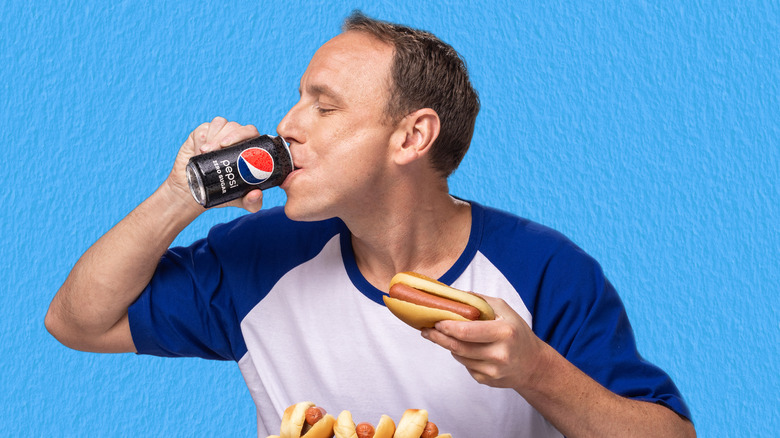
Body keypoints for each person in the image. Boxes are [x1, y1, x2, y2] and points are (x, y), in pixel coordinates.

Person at [46, 12, 695, 438]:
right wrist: (182, 193)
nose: (290, 123)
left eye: (323, 106)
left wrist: (535, 370)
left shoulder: (541, 269)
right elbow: (78, 320)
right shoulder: (258, 258)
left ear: (412, 136)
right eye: (299, 98)